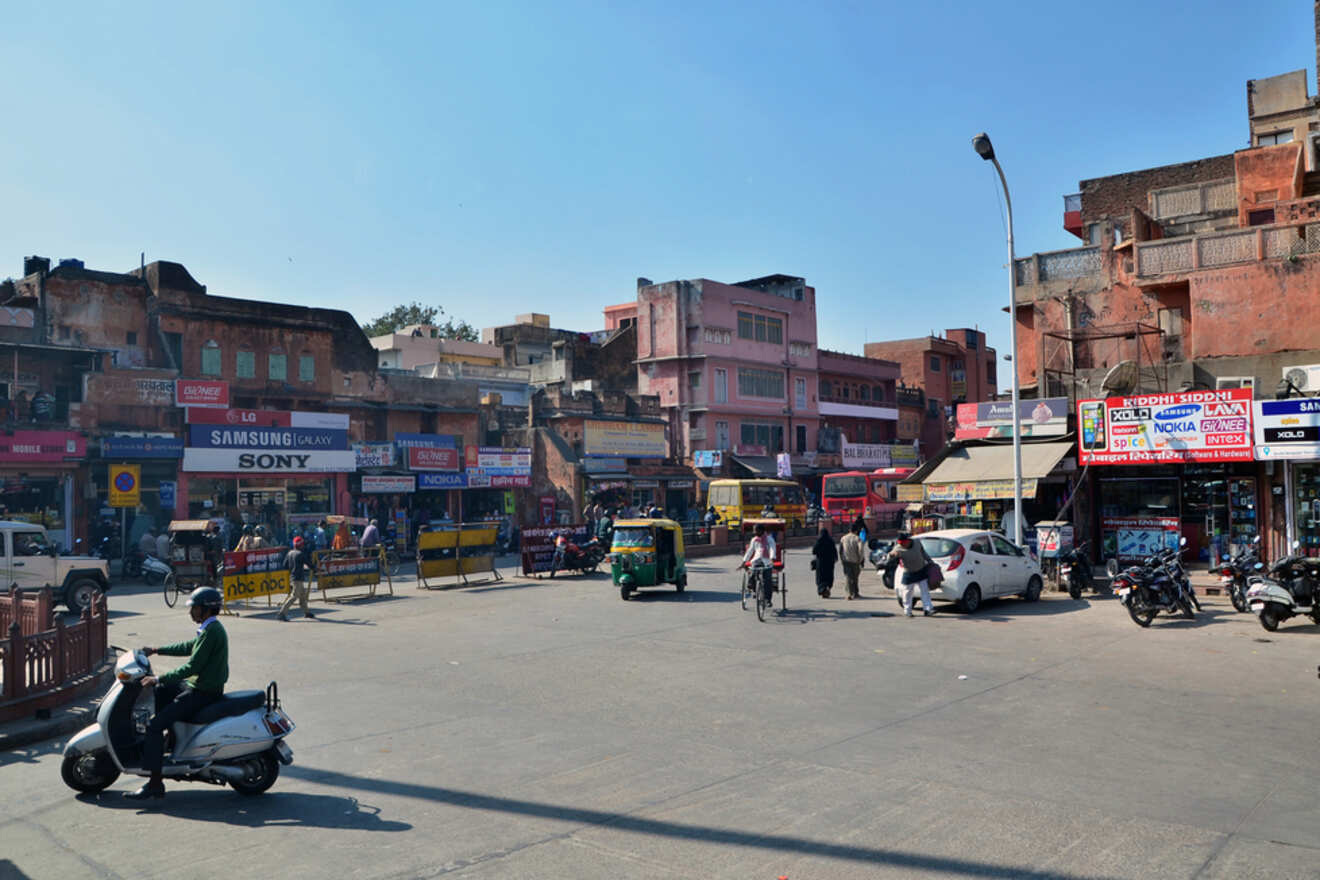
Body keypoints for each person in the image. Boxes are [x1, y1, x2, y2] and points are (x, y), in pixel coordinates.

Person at [126, 587, 228, 800]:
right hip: (199, 686)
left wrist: (158, 677)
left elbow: (192, 666)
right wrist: (157, 650)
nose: (191, 613)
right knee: (161, 692)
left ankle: (155, 783)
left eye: (195, 609)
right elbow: (189, 647)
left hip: (203, 691)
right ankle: (171, 739)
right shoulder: (210, 628)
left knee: (154, 726)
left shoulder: (212, 632)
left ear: (206, 610)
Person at [887, 532, 936, 617]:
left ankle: (928, 609)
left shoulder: (917, 542)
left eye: (903, 543)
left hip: (921, 570)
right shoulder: (898, 549)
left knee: (925, 591)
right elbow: (890, 556)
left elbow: (923, 552)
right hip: (909, 572)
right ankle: (907, 610)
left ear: (908, 540)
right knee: (907, 592)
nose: (902, 545)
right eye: (900, 543)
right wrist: (891, 555)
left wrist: (930, 561)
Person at [278, 537, 315, 622]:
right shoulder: (300, 554)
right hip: (298, 578)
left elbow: (285, 565)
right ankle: (282, 613)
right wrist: (316, 569)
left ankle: (307, 612)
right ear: (301, 545)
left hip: (293, 577)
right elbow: (309, 564)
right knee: (294, 596)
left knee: (302, 596)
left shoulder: (289, 553)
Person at [741, 522, 777, 606]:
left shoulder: (769, 539)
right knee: (752, 573)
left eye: (756, 531)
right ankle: (753, 589)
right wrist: (744, 561)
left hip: (767, 561)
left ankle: (768, 600)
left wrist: (772, 558)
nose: (754, 532)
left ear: (761, 531)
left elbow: (772, 549)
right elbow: (750, 551)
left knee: (768, 580)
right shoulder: (754, 540)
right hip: (756, 560)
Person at [839, 521, 866, 600]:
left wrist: (842, 558)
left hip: (846, 560)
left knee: (848, 577)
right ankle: (854, 593)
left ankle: (849, 593)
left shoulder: (843, 538)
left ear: (849, 530)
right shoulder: (858, 539)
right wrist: (860, 560)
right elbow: (861, 550)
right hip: (855, 561)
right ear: (856, 531)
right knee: (855, 577)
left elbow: (840, 550)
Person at [812, 526, 837, 599]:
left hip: (821, 563)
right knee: (829, 576)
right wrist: (835, 558)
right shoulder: (830, 541)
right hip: (829, 562)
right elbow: (834, 551)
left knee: (820, 577)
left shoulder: (819, 541)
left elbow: (814, 551)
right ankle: (827, 587)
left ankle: (822, 589)